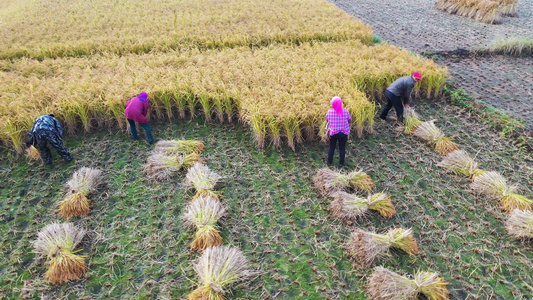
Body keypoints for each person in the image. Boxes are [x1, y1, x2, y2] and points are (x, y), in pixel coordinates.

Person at [326, 96, 351, 166]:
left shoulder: (329, 112)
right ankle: (341, 163)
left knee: (332, 147)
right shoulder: (346, 112)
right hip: (343, 133)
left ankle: (329, 162)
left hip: (333, 133)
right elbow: (349, 120)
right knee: (342, 148)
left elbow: (327, 120)